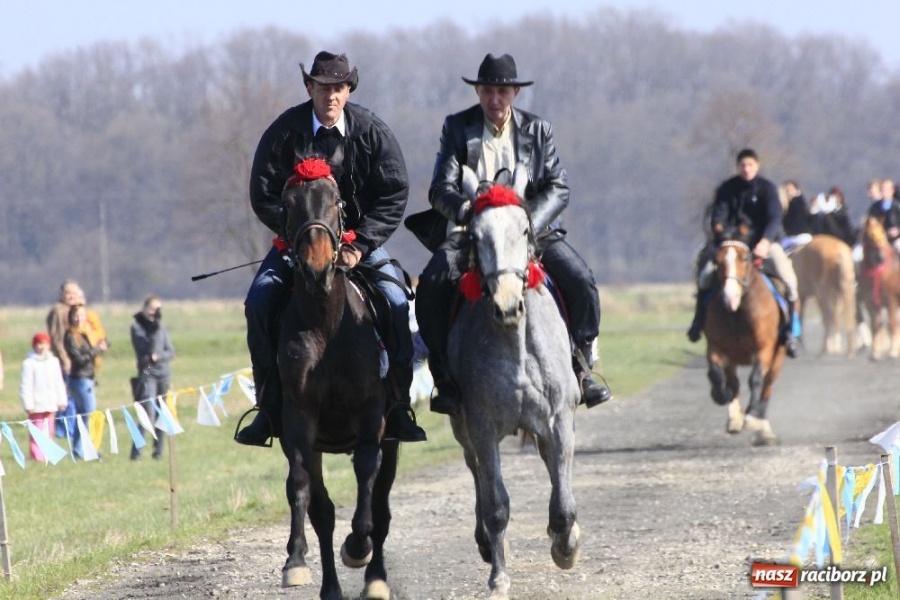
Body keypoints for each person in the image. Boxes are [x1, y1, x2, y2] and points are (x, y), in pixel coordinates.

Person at [235, 51, 426, 446]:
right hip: (298, 244)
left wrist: (363, 244)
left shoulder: (373, 132)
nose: (331, 96)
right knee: (258, 301)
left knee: (393, 300)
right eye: (323, 88)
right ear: (310, 88)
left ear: (348, 89)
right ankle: (268, 407)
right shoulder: (284, 132)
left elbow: (394, 194)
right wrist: (295, 236)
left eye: (338, 88)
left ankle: (398, 405)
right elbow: (262, 193)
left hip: (360, 243)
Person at [410, 53, 612, 416]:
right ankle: (445, 379)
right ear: (479, 93)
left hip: (528, 232)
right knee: (433, 284)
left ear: (515, 93)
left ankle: (582, 369)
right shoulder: (457, 128)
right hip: (472, 232)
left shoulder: (539, 130)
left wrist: (525, 222)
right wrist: (468, 212)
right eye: (487, 91)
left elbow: (558, 188)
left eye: (502, 91)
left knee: (581, 279)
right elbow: (440, 188)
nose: (494, 99)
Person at [687, 148, 802, 357]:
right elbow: (718, 217)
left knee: (789, 280)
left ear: (757, 166)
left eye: (750, 165)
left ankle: (791, 333)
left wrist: (765, 241)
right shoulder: (726, 189)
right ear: (738, 167)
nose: (746, 169)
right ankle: (697, 322)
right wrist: (722, 233)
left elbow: (774, 219)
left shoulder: (767, 190)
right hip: (732, 246)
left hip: (764, 245)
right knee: (705, 276)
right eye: (743, 165)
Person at [130, 295, 175, 460]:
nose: (154, 312)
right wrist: (154, 331)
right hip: (147, 374)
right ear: (144, 308)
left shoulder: (161, 328)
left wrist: (159, 356)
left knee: (162, 413)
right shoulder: (137, 328)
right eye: (152, 308)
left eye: (158, 309)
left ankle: (158, 452)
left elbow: (171, 351)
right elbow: (145, 349)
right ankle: (136, 452)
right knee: (146, 413)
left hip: (163, 373)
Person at [63, 303, 107, 458]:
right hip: (80, 379)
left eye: (82, 315)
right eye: (76, 315)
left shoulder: (84, 333)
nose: (79, 319)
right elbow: (79, 359)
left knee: (82, 416)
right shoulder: (70, 335)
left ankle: (78, 450)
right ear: (71, 317)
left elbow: (90, 353)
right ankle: (85, 450)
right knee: (88, 414)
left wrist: (101, 346)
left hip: (87, 377)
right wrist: (97, 350)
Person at [19, 333, 68, 461]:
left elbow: (59, 382)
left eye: (44, 344)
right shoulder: (29, 363)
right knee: (36, 430)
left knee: (49, 429)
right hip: (36, 404)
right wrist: (28, 404)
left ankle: (48, 452)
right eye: (39, 344)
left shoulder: (54, 361)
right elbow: (25, 385)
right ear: (34, 346)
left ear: (48, 345)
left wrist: (61, 400)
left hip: (50, 402)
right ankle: (37, 455)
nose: (41, 347)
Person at [46, 280, 81, 437]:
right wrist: (64, 359)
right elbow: (57, 338)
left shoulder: (76, 310)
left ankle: (70, 427)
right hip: (63, 360)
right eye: (68, 293)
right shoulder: (59, 311)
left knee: (73, 395)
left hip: (77, 360)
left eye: (74, 292)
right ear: (62, 294)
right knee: (65, 395)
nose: (71, 296)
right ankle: (63, 430)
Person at [868, 178, 900, 253]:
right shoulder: (875, 208)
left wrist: (898, 230)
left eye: (886, 189)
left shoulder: (897, 206)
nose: (884, 192)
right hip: (880, 240)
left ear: (892, 191)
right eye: (882, 189)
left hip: (896, 239)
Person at [780, 180, 812, 253]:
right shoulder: (800, 202)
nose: (788, 192)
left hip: (797, 238)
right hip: (802, 236)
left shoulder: (796, 203)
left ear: (796, 190)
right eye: (786, 190)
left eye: (789, 189)